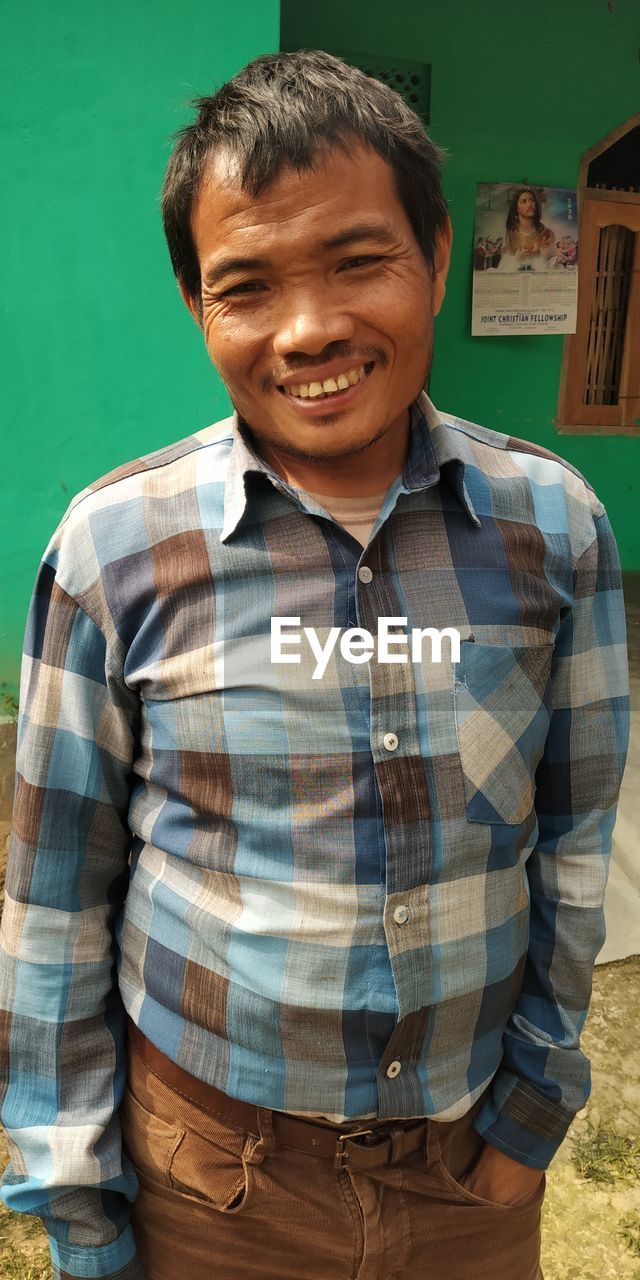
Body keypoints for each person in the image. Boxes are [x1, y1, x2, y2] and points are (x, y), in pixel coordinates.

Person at [0, 49, 629, 1280]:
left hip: (469, 1171)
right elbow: (56, 897)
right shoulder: (114, 551)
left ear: (437, 259)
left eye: (358, 261)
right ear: (198, 306)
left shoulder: (554, 528)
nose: (310, 330)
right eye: (247, 285)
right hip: (210, 1178)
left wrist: (533, 1108)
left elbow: (571, 838)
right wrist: (78, 1197)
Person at [505, 187, 556, 264]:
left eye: (532, 200)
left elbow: (551, 264)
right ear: (516, 209)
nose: (529, 205)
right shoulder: (510, 234)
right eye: (524, 202)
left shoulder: (547, 234)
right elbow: (505, 264)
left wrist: (544, 254)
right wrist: (516, 259)